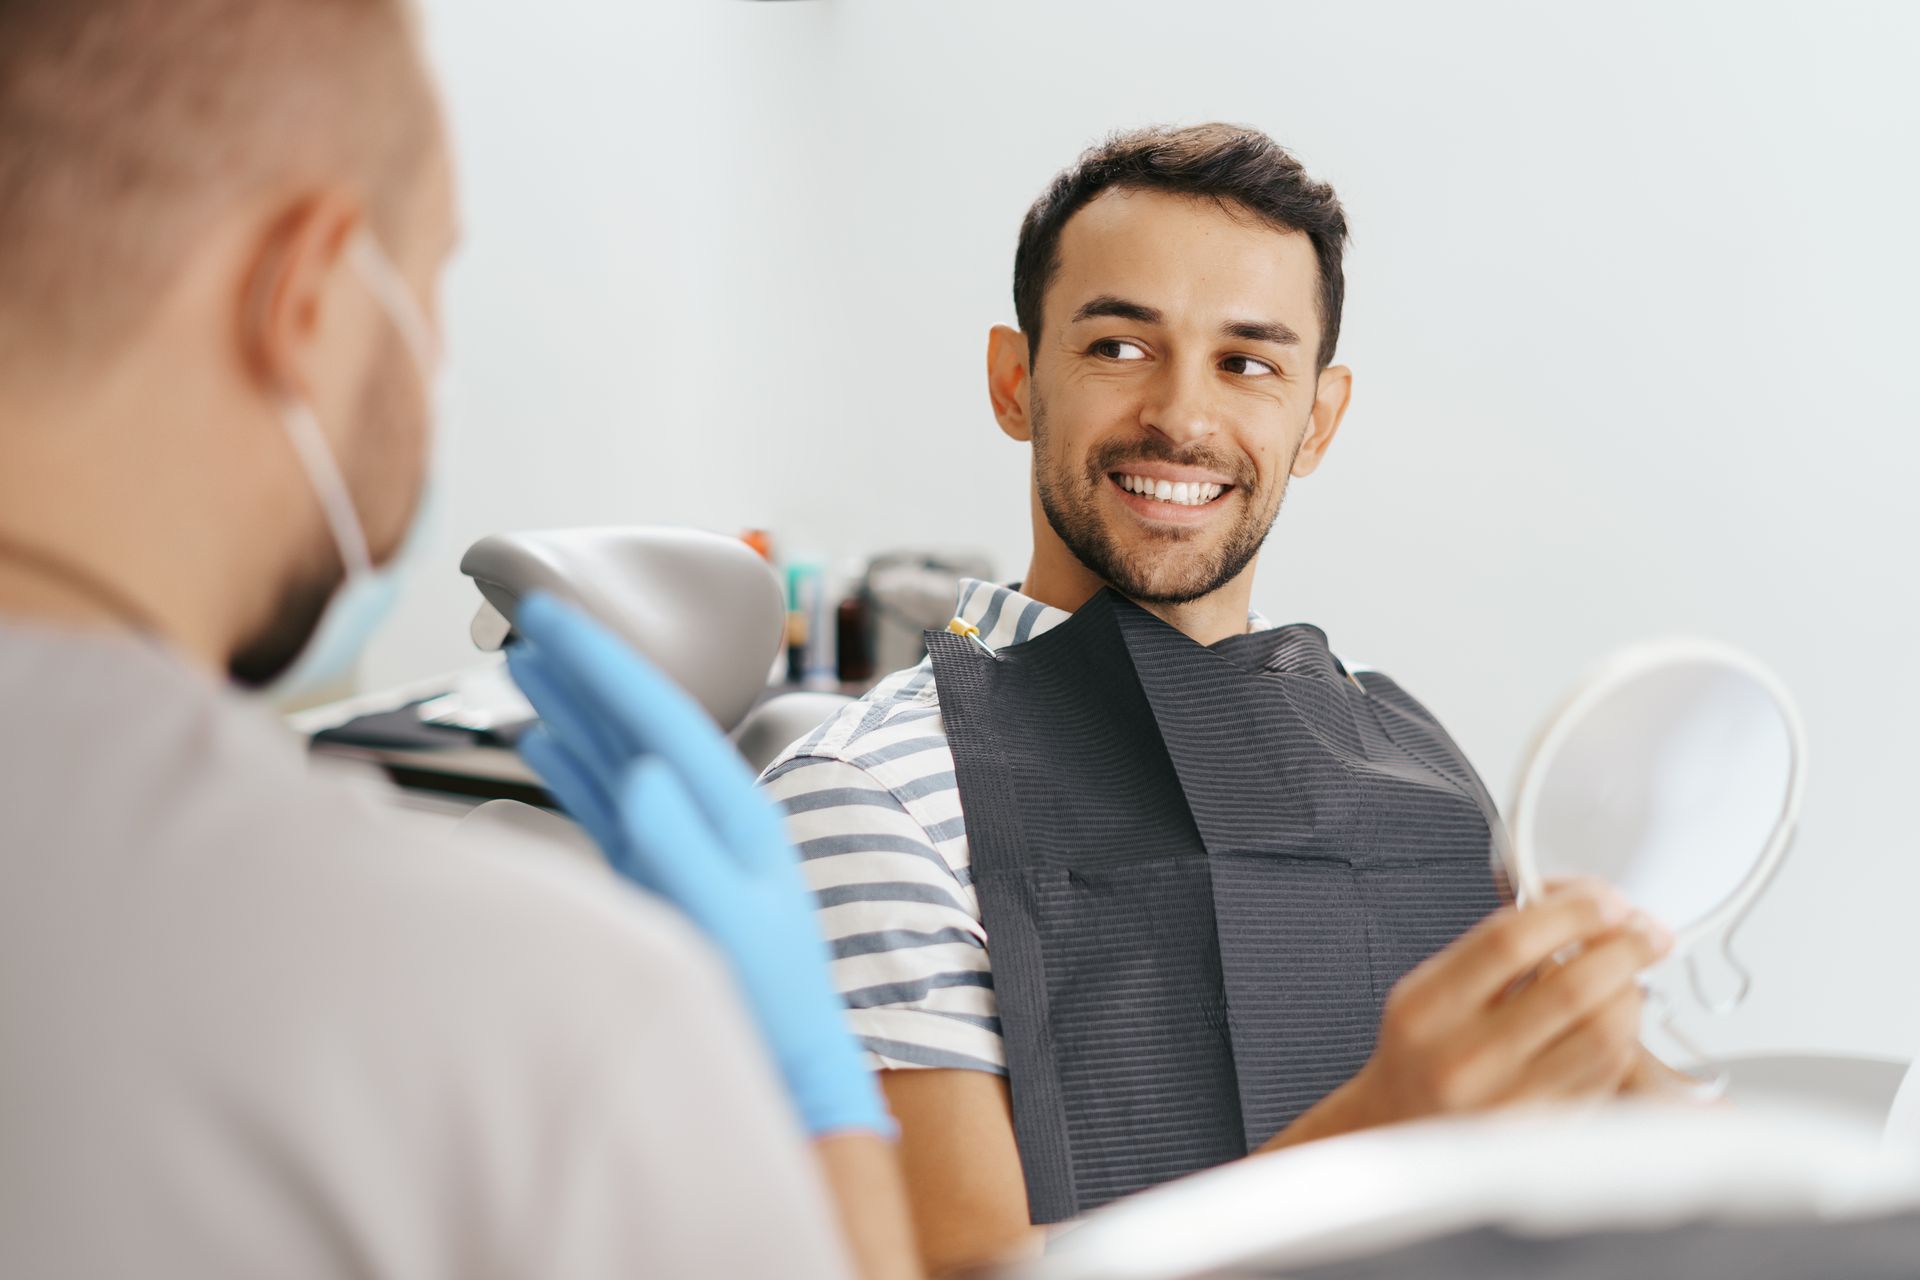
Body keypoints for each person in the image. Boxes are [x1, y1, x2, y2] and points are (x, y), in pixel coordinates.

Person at [0, 3, 916, 1276]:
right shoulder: (537, 1018)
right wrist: (814, 1091)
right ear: (305, 293)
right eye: (427, 281)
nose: (431, 363)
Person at [758, 123, 1679, 1274]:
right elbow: (961, 1269)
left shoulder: (1411, 761)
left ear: (1319, 419)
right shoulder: (869, 798)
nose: (1184, 417)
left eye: (1248, 362)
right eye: (1119, 345)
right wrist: (1381, 1133)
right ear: (1014, 379)